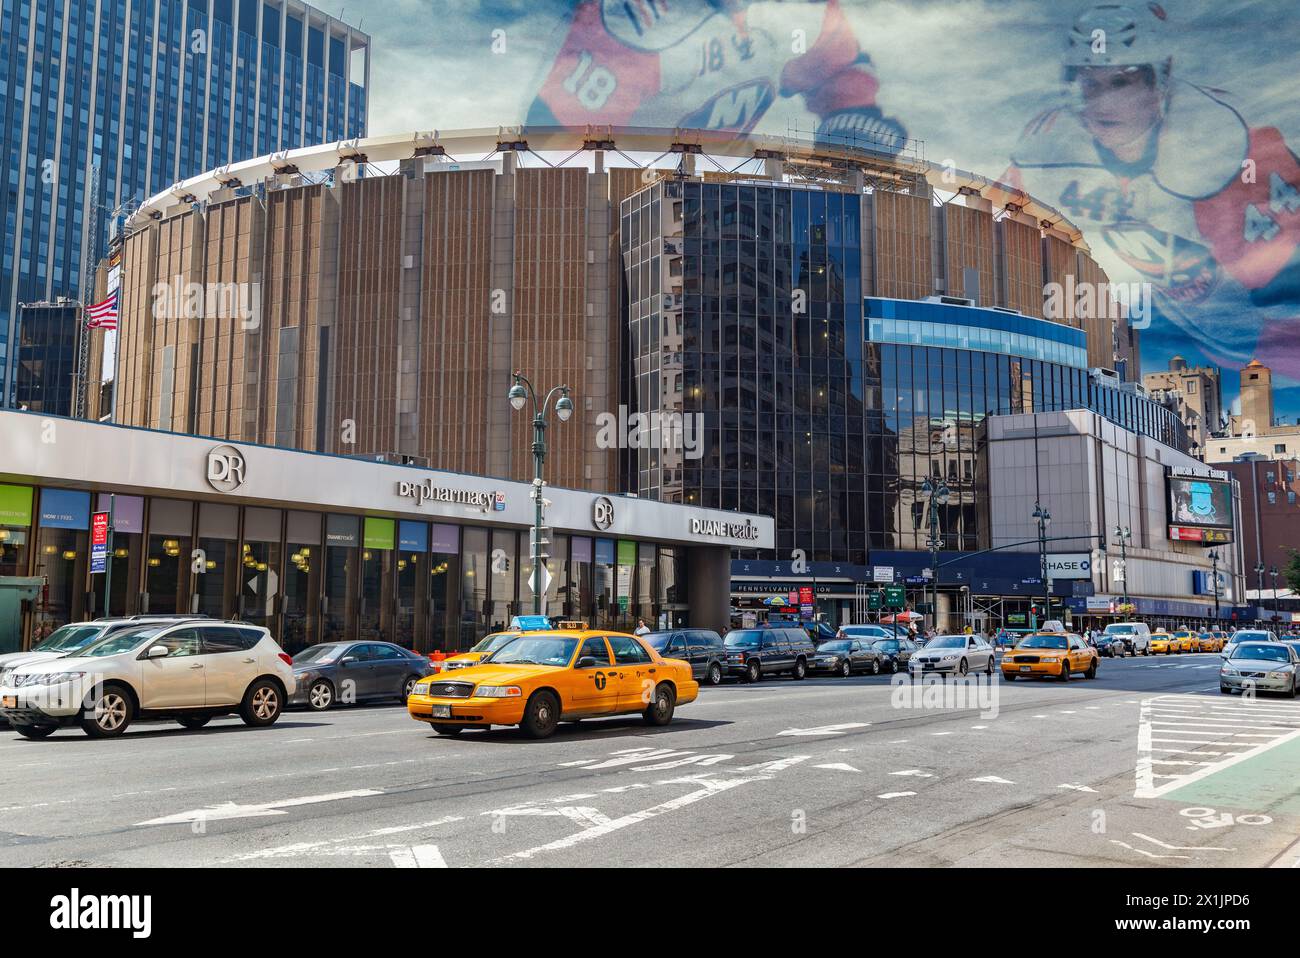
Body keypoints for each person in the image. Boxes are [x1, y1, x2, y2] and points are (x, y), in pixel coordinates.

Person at [993, 2, 1300, 383]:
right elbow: (994, 242)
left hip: (1245, 347)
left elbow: (1279, 302)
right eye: (1090, 82)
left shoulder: (1241, 147)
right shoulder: (1044, 149)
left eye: (1121, 81)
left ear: (1160, 80)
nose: (1101, 102)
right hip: (1113, 353)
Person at [525, 0, 907, 152]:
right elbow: (550, 152)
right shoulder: (632, 25)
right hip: (627, 207)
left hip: (722, 203)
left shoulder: (803, 12)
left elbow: (838, 73)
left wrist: (850, 122)